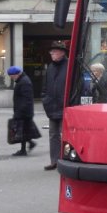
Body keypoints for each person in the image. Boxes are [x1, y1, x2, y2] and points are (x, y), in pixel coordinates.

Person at [42, 40, 68, 171]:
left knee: (66, 135)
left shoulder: (69, 66)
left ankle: (66, 160)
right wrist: (45, 100)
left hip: (65, 107)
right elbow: (45, 86)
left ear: (62, 52)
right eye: (51, 52)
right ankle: (55, 161)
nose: (52, 53)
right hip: (52, 107)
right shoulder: (50, 68)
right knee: (53, 135)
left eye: (54, 51)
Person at [8, 66, 37, 156]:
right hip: (23, 111)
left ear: (16, 74)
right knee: (24, 130)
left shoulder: (24, 82)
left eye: (12, 76)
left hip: (24, 112)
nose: (11, 78)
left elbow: (26, 99)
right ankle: (27, 146)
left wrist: (19, 112)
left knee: (23, 130)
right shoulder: (22, 81)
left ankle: (24, 149)